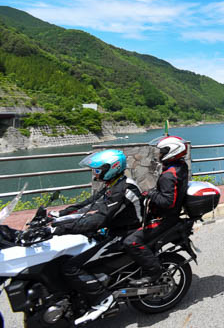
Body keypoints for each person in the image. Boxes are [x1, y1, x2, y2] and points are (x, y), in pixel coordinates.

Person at [51, 149, 143, 324]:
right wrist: (60, 215)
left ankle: (103, 297)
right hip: (114, 229)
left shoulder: (122, 189)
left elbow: (98, 220)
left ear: (112, 168)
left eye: (98, 169)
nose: (95, 173)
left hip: (126, 233)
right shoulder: (114, 184)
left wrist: (62, 228)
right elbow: (89, 203)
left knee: (71, 266)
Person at [124, 136, 189, 287]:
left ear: (172, 151)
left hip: (165, 218)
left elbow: (167, 202)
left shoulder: (169, 175)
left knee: (131, 241)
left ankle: (154, 272)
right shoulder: (180, 166)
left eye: (162, 151)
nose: (159, 154)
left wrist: (150, 193)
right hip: (168, 215)